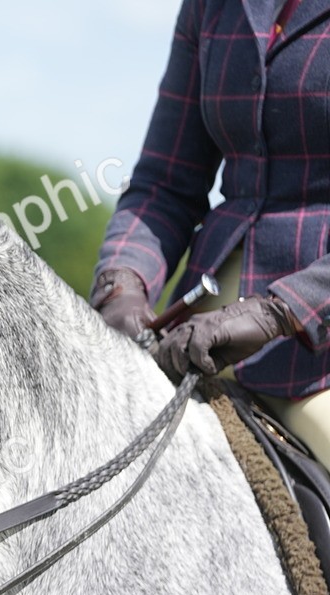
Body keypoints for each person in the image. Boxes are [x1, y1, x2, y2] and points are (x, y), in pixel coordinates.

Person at [90, 0, 330, 467]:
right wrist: (122, 282)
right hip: (200, 329)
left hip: (315, 346)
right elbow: (165, 182)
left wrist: (280, 312)